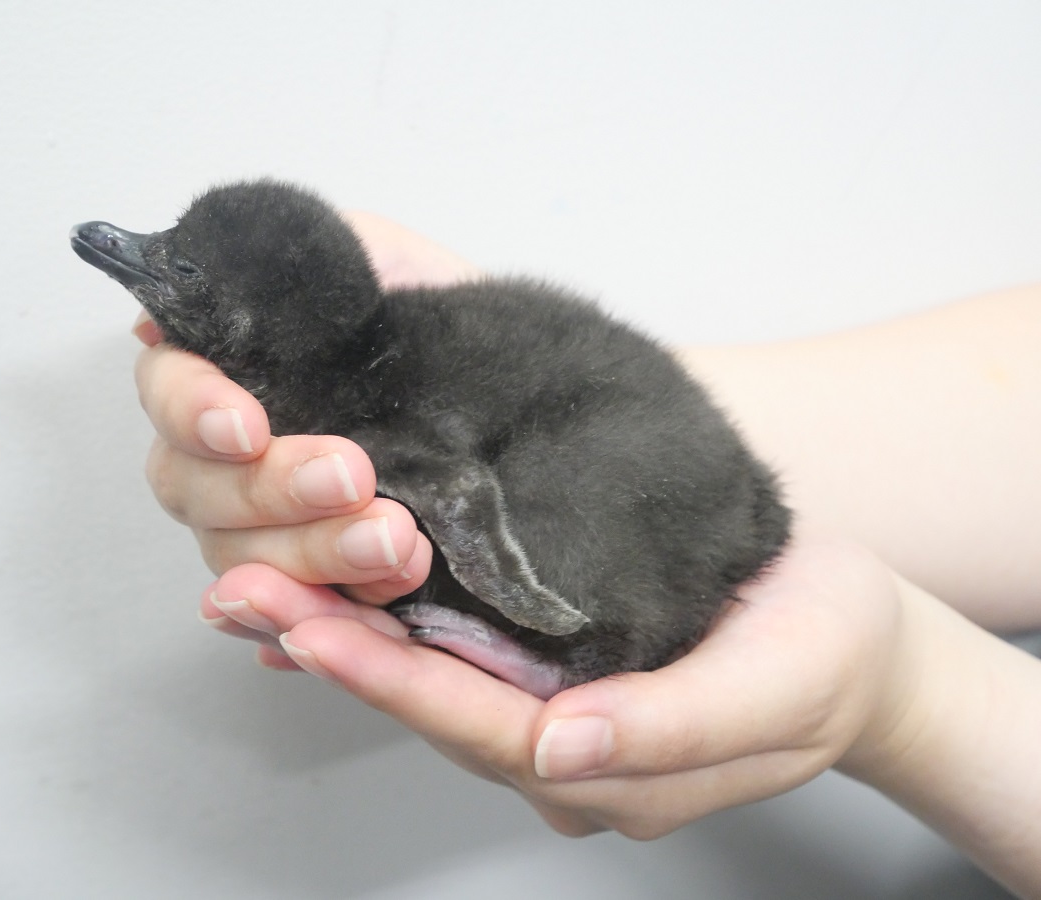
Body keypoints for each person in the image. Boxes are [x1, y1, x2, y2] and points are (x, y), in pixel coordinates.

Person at [130, 210, 1041, 897]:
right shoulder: (373, 364)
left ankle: (578, 644)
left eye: (181, 269)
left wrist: (913, 697)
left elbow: (464, 486)